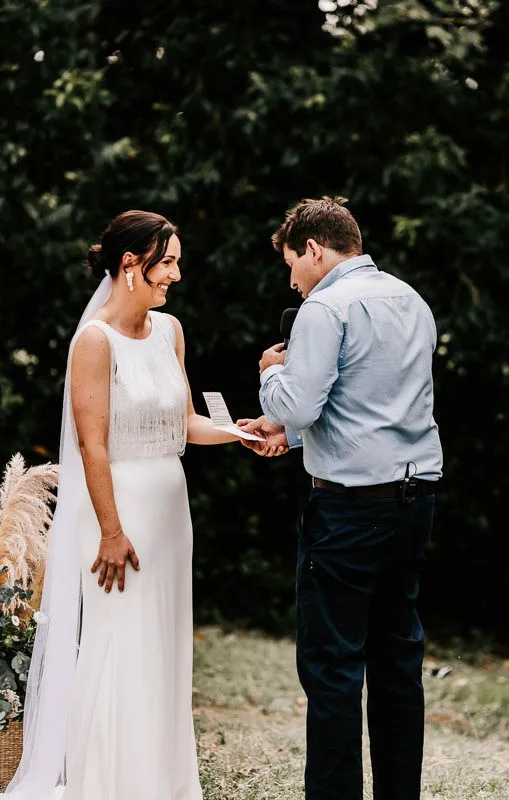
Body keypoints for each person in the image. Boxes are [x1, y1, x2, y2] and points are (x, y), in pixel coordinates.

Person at [0, 211, 245, 800]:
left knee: (162, 644)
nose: (176, 275)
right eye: (168, 262)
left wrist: (244, 433)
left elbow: (185, 424)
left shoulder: (170, 331)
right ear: (130, 264)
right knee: (119, 645)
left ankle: (162, 783)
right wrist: (111, 530)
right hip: (117, 512)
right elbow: (93, 445)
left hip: (169, 512)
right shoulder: (94, 340)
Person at [239, 196, 442, 800]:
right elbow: (373, 403)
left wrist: (269, 372)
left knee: (332, 669)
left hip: (349, 512)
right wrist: (294, 436)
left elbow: (299, 401)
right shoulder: (411, 299)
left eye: (291, 266)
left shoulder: (325, 306)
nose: (293, 282)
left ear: (313, 249)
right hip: (415, 501)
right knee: (398, 663)